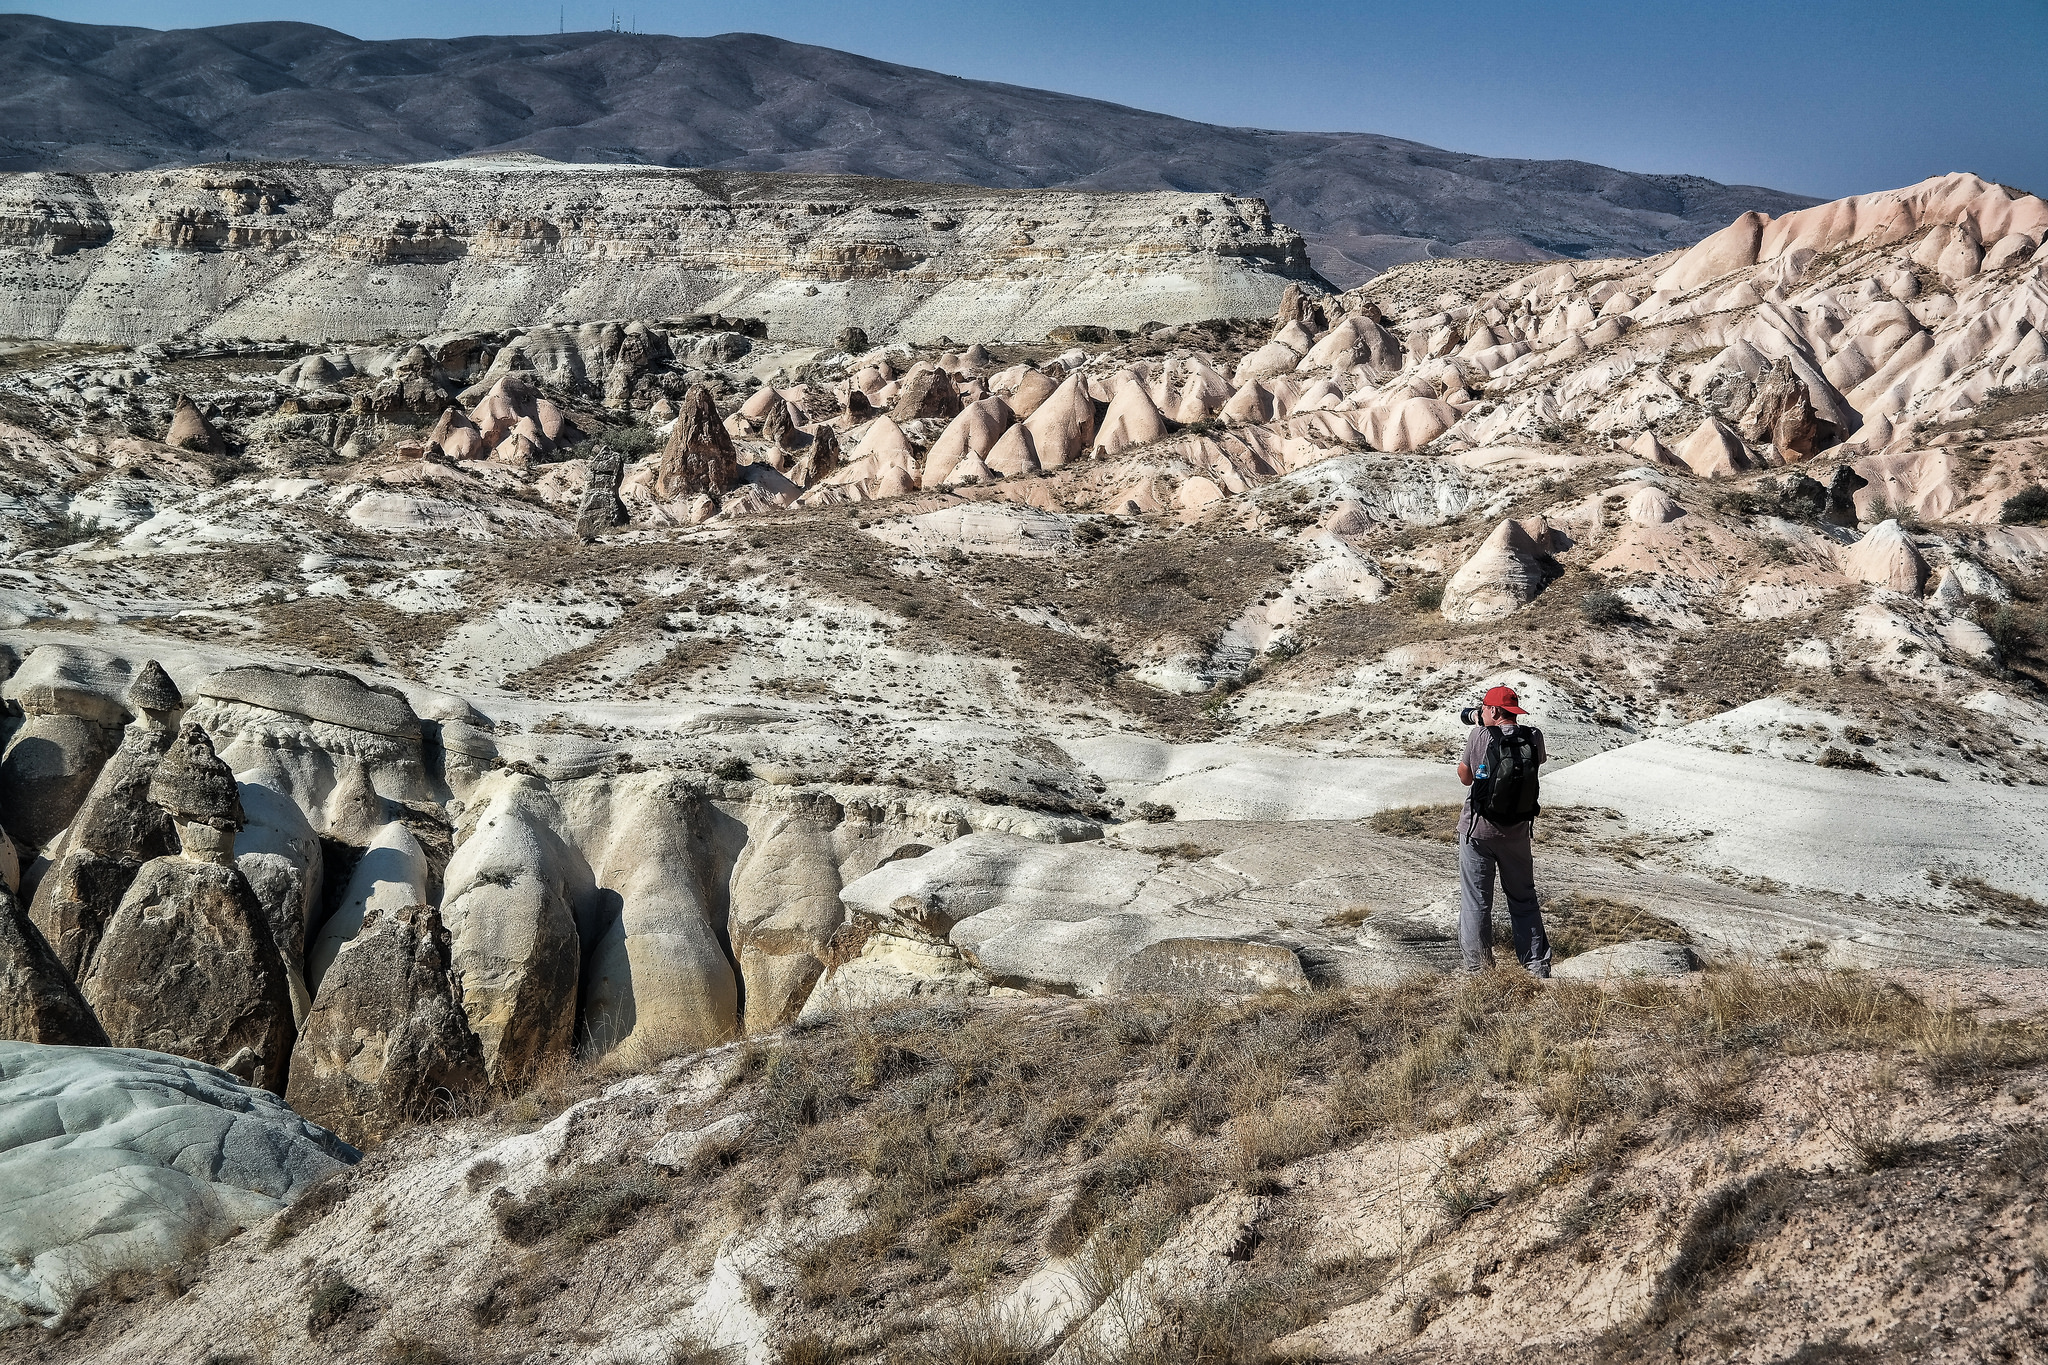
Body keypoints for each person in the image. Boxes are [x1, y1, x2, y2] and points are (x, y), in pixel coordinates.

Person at [1456, 685, 1552, 977]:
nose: (1481, 712)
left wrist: (1479, 732)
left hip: (1478, 831)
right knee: (1524, 898)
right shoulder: (1533, 735)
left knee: (1477, 903)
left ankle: (1479, 972)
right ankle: (1536, 967)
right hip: (1518, 832)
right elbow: (1540, 760)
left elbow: (1464, 776)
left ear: (1494, 711)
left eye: (1484, 707)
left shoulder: (1480, 735)